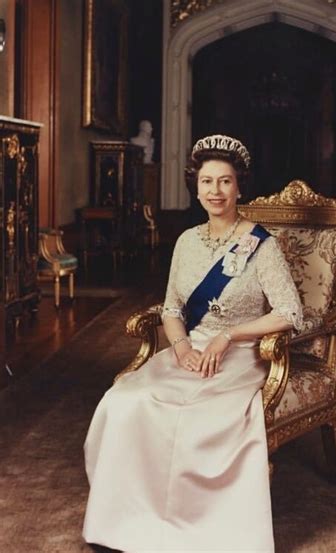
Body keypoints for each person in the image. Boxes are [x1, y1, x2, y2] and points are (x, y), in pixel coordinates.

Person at [82, 134, 304, 552]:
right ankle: (133, 520)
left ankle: (195, 531)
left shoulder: (261, 245)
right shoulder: (186, 241)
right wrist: (181, 347)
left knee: (200, 414)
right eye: (207, 181)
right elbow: (170, 308)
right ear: (196, 186)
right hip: (190, 348)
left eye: (225, 181)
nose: (215, 191)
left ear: (239, 187)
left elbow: (290, 313)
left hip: (240, 353)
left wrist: (228, 336)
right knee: (126, 400)